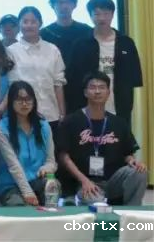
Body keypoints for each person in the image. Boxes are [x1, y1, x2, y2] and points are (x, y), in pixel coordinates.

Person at [56, 72, 147, 205]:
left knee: (140, 172)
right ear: (85, 92)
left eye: (102, 87)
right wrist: (84, 180)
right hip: (84, 181)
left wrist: (133, 161)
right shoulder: (71, 121)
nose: (97, 91)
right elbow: (63, 156)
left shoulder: (119, 123)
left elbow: (127, 153)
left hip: (113, 180)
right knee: (97, 204)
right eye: (93, 87)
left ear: (108, 92)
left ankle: (131, 211)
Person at [69, 0, 143, 129]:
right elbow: (73, 78)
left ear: (113, 14)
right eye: (97, 14)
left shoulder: (126, 42)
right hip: (87, 105)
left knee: (118, 139)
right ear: (90, 16)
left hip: (119, 104)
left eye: (106, 13)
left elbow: (134, 77)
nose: (102, 18)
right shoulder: (80, 44)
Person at [0, 81, 57, 206]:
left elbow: (51, 161)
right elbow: (13, 165)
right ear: (11, 102)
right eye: (19, 99)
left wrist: (47, 168)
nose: (24, 103)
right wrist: (27, 192)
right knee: (19, 206)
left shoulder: (44, 126)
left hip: (37, 180)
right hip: (11, 184)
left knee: (53, 186)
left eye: (28, 99)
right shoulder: (0, 129)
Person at [6, 6, 67, 128]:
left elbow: (58, 84)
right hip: (23, 115)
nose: (29, 25)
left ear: (40, 24)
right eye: (25, 22)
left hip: (51, 113)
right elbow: (11, 86)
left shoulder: (52, 49)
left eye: (33, 22)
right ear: (19, 25)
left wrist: (62, 112)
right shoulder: (11, 51)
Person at [40, 0, 93, 112]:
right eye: (59, 2)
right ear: (53, 6)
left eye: (67, 2)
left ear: (74, 5)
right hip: (52, 88)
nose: (64, 6)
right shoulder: (44, 34)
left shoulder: (86, 31)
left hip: (81, 88)